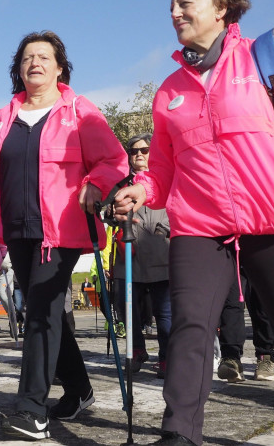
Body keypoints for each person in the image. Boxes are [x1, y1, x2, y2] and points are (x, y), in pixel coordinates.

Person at [112, 0, 274, 446]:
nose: (174, 12)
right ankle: (179, 432)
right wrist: (142, 189)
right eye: (172, 5)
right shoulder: (169, 91)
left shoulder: (267, 58)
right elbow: (162, 169)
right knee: (191, 326)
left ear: (221, 8)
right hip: (200, 225)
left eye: (185, 2)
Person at [0, 30, 128, 440]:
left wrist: (97, 182)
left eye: (43, 56)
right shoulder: (2, 117)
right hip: (16, 230)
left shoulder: (78, 110)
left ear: (60, 67)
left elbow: (114, 159)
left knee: (40, 309)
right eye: (27, 58)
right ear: (18, 70)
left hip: (60, 230)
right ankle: (78, 389)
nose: (34, 63)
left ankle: (31, 409)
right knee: (46, 312)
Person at [111, 133, 171, 378]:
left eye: (144, 150)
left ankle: (168, 357)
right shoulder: (121, 183)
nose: (138, 154)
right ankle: (136, 351)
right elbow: (107, 207)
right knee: (128, 308)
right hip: (129, 256)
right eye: (134, 151)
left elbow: (176, 207)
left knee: (165, 312)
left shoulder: (165, 178)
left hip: (160, 253)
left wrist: (163, 229)